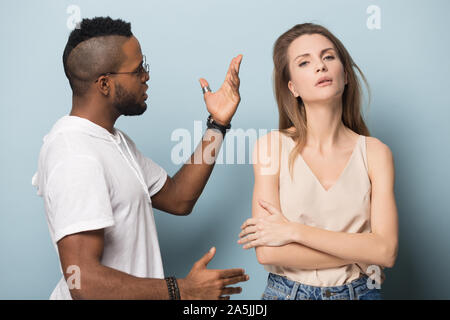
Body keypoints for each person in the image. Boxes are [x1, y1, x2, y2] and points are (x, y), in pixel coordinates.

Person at [32, 16, 248, 300]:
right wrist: (184, 290)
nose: (146, 75)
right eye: (137, 70)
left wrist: (217, 125)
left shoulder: (112, 141)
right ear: (105, 84)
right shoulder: (75, 155)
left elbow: (179, 197)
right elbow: (83, 283)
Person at [238, 23, 398, 300]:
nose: (320, 67)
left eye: (328, 57)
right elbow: (268, 252)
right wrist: (360, 256)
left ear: (345, 75)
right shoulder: (270, 147)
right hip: (287, 294)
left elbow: (386, 252)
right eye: (304, 62)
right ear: (292, 87)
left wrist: (293, 231)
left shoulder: (376, 153)